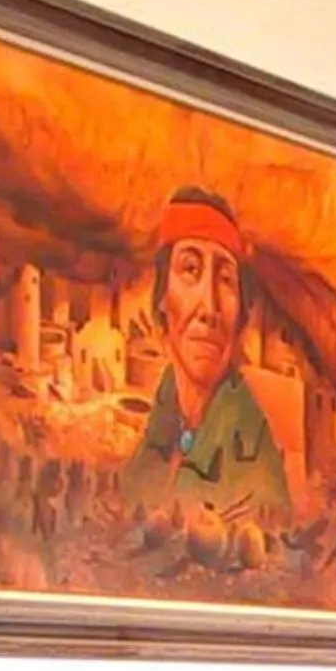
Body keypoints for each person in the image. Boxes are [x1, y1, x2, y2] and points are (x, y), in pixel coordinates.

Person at [120, 186, 292, 532]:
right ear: (163, 299)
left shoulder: (254, 469)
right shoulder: (161, 425)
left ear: (241, 315)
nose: (209, 308)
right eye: (190, 270)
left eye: (226, 279)